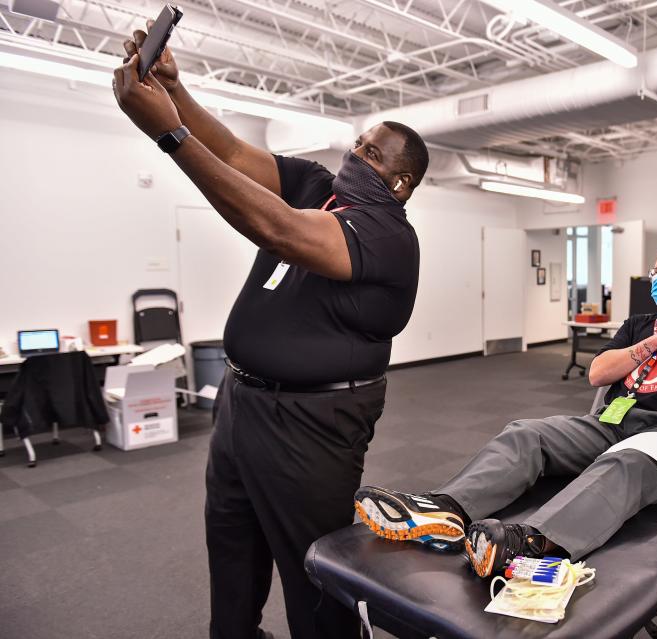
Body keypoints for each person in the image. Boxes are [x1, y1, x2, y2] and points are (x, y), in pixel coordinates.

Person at [113, 28, 428, 639]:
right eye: (357, 144)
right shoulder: (319, 187)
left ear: (400, 185)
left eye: (371, 156)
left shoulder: (391, 238)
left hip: (311, 423)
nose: (353, 158)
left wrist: (168, 134)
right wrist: (176, 93)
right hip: (241, 404)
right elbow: (231, 153)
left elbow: (279, 230)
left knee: (313, 574)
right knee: (230, 545)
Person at [354, 249, 657, 577]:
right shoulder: (638, 325)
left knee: (625, 465)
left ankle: (534, 543)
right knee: (527, 433)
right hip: (611, 423)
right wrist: (651, 345)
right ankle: (448, 509)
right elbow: (599, 374)